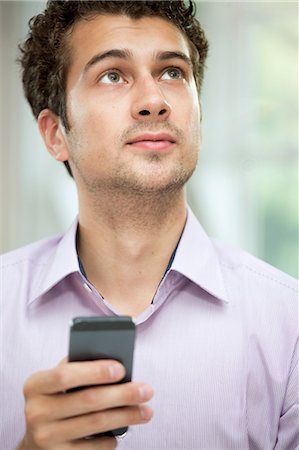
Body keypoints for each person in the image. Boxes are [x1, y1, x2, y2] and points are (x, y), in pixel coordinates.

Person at [1, 1, 298, 449]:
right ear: (55, 133)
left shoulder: (289, 324)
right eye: (113, 75)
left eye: (173, 72)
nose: (154, 101)